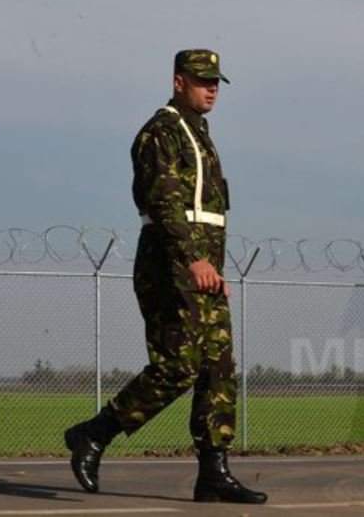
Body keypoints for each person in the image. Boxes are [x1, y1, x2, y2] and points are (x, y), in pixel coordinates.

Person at [63, 49, 267, 504]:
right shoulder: (161, 132)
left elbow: (205, 215)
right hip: (170, 266)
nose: (211, 87)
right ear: (178, 82)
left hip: (201, 268)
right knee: (178, 366)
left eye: (216, 80)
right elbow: (166, 204)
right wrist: (194, 260)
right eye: (201, 80)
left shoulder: (200, 134)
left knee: (218, 369)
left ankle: (214, 472)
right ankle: (93, 433)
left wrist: (211, 266)